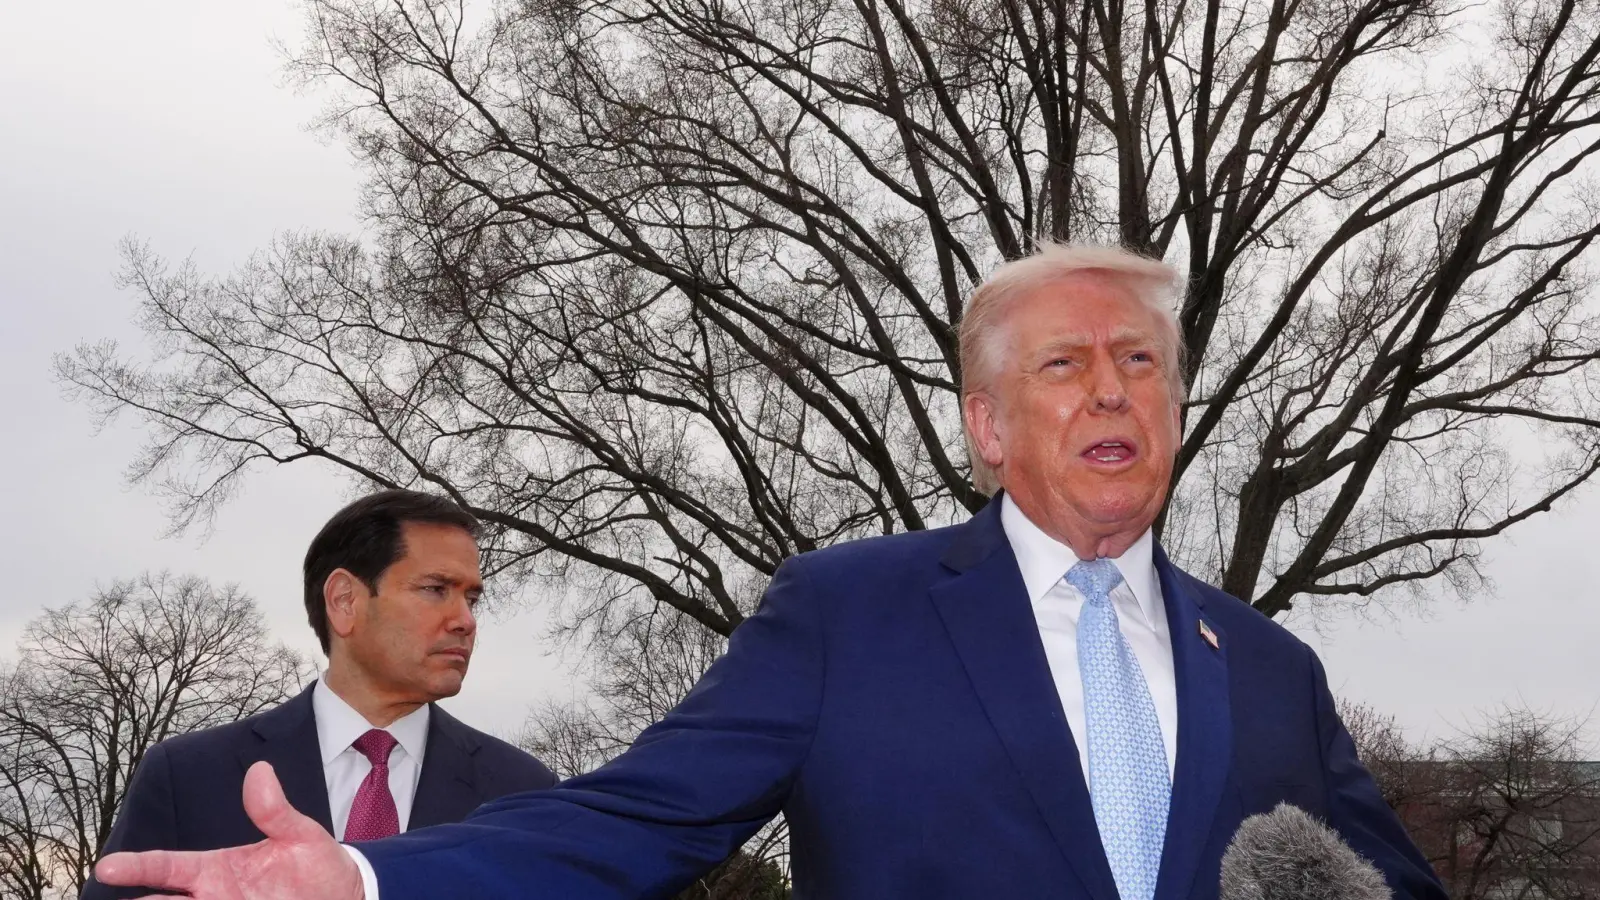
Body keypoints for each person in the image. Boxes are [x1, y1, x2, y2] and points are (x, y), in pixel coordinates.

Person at [96, 246, 1447, 900]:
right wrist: (370, 881)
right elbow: (630, 819)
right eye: (1065, 365)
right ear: (987, 428)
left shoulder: (1270, 668)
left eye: (1140, 362)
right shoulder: (849, 616)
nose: (1114, 389)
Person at [83, 489, 556, 900]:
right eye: (435, 589)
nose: (465, 621)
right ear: (345, 601)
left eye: (471, 599)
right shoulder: (186, 779)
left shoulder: (524, 794)